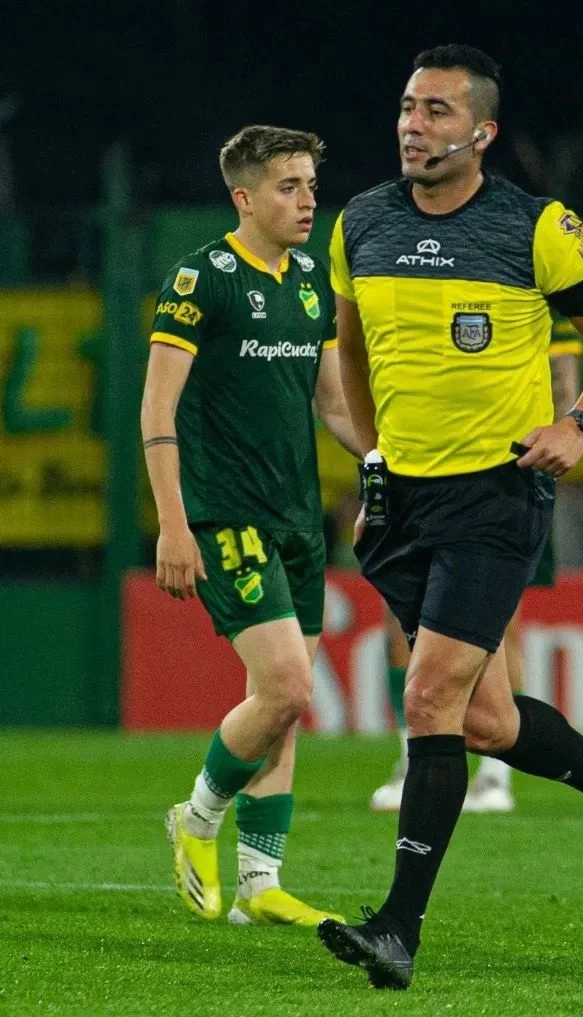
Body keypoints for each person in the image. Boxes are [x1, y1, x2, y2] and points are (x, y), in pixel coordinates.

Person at [317, 44, 583, 990]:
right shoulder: (362, 224)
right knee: (484, 720)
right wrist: (373, 454)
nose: (413, 126)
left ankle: (396, 927)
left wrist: (578, 421)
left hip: (495, 495)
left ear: (482, 132)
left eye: (435, 111)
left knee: (427, 698)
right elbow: (350, 349)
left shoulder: (537, 227)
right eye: (406, 107)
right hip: (403, 496)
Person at [141, 125, 359, 926]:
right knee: (288, 685)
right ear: (244, 197)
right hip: (224, 513)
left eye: (309, 185)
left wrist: (382, 467)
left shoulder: (310, 279)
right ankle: (195, 815)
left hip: (299, 518)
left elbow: (331, 402)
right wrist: (173, 523)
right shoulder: (203, 278)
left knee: (282, 706)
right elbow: (157, 404)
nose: (307, 201)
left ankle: (259, 885)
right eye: (288, 187)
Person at [369, 317, 583, 815]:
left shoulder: (536, 287)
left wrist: (549, 443)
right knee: (399, 609)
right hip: (421, 469)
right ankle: (409, 756)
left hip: (503, 479)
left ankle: (494, 773)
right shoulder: (419, 282)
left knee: (501, 617)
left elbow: (563, 380)